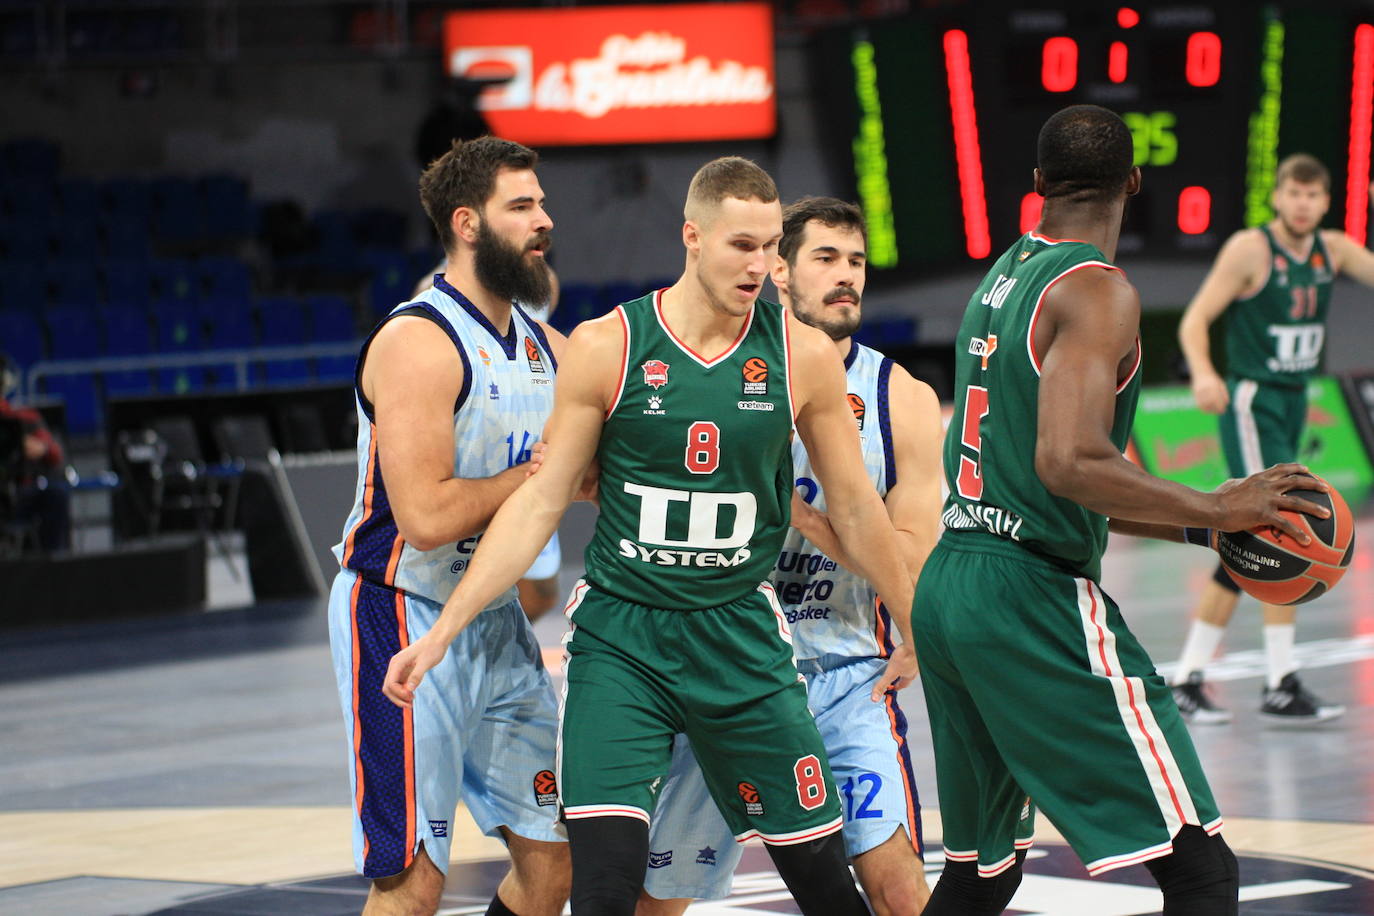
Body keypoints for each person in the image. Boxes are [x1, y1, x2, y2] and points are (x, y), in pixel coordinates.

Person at [383, 157, 919, 916]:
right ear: (691, 237)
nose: (762, 267)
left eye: (771, 247)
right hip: (623, 641)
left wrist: (913, 619)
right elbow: (541, 502)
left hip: (739, 638)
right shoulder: (611, 344)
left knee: (828, 886)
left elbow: (859, 511)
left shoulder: (801, 353)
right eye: (742, 245)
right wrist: (442, 632)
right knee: (602, 889)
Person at [913, 105, 1329, 915]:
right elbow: (1069, 463)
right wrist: (1215, 502)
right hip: (1027, 599)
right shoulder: (1097, 292)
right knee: (1202, 872)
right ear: (1134, 183)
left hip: (953, 580)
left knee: (981, 874)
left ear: (1036, 187)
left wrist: (1205, 523)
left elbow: (1068, 476)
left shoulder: (1002, 278)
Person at [637, 197, 940, 916]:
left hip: (846, 676)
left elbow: (908, 555)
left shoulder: (902, 398)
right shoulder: (713, 372)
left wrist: (800, 514)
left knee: (899, 888)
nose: (847, 278)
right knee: (657, 902)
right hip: (721, 671)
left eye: (857, 262)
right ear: (778, 270)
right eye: (826, 259)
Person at [327, 136, 572, 916]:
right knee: (413, 880)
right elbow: (427, 517)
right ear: (468, 224)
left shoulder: (539, 342)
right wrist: (537, 477)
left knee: (554, 864)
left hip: (490, 617)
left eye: (541, 203)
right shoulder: (418, 341)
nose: (545, 221)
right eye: (523, 207)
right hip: (400, 613)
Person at [1172, 154, 1374, 725]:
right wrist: (1205, 373)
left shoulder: (1332, 249)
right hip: (1252, 400)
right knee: (1280, 530)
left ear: (1327, 202)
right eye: (1294, 193)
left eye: (1313, 195)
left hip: (1292, 399)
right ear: (1278, 196)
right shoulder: (1250, 249)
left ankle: (1191, 677)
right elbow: (1194, 319)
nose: (1303, 203)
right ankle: (1277, 681)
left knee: (1249, 538)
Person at [413, 263, 565, 621]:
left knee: (541, 589)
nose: (539, 223)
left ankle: (492, 625)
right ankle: (456, 628)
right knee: (469, 568)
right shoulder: (430, 301)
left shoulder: (541, 285)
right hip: (482, 438)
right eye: (519, 207)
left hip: (526, 427)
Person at [0, 353, 70, 554]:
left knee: (56, 495)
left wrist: (42, 447)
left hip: (18, 493)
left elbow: (54, 453)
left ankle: (52, 565)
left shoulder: (24, 418)